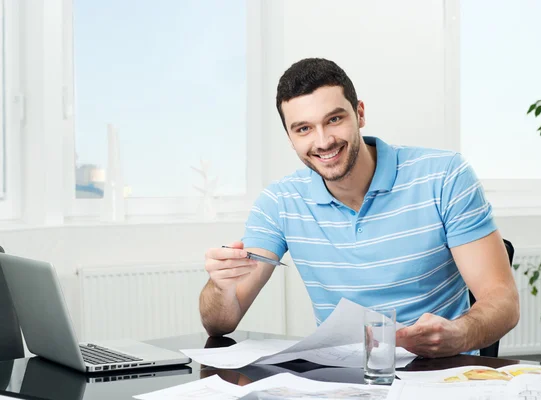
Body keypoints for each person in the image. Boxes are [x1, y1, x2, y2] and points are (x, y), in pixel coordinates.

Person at [199, 58, 519, 358]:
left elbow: (503, 302)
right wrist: (220, 286)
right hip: (345, 380)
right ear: (290, 136)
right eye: (303, 129)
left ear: (360, 114)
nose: (323, 141)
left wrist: (459, 335)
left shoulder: (445, 175)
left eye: (334, 119)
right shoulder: (280, 203)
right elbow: (221, 324)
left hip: (438, 372)